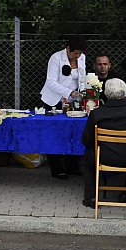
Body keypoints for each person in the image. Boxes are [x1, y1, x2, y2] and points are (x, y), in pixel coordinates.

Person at [80, 79, 126, 208]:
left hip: (104, 157)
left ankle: (91, 196)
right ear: (125, 92)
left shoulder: (97, 113)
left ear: (106, 93)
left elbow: (87, 140)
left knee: (86, 159)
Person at [40, 36, 87, 179]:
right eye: (75, 53)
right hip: (54, 100)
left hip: (74, 100)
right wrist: (70, 92)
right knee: (55, 133)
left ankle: (72, 166)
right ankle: (57, 169)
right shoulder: (56, 58)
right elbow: (51, 82)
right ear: (68, 48)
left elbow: (82, 78)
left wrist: (82, 93)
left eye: (79, 53)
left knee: (73, 131)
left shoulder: (82, 58)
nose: (77, 56)